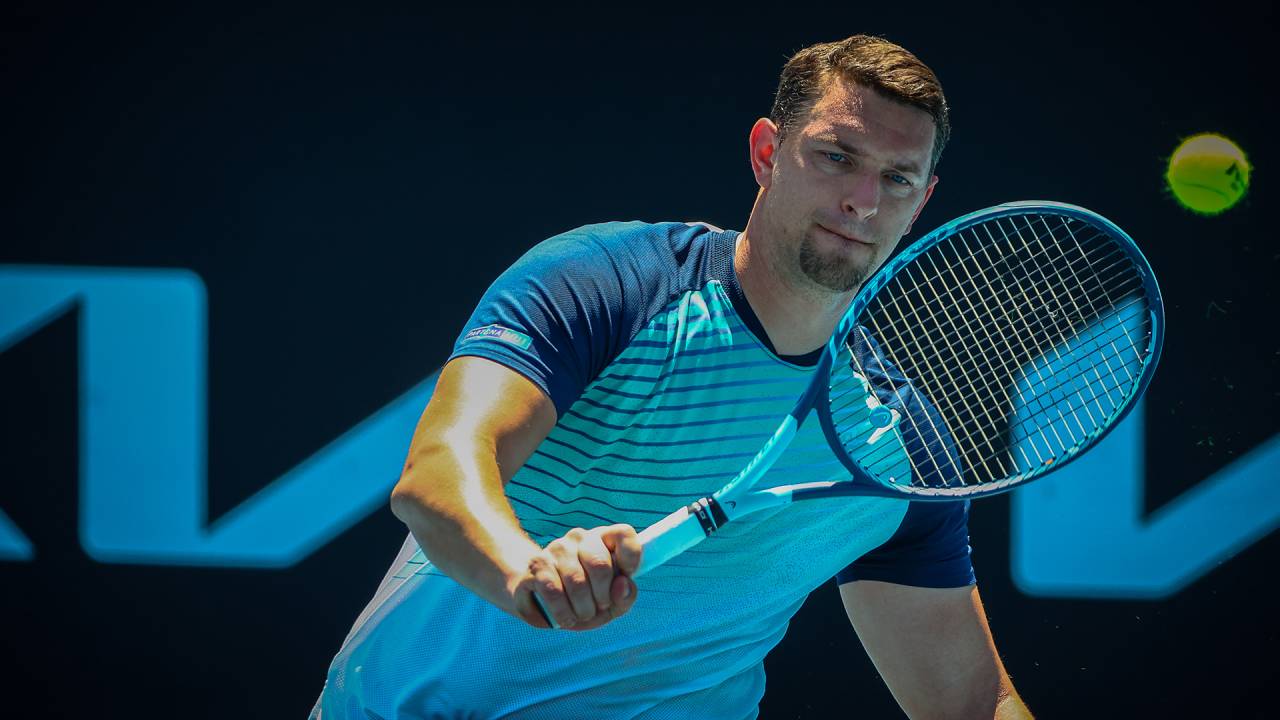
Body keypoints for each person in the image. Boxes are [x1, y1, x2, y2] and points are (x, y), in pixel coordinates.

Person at [312, 34, 1032, 719]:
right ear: (767, 153)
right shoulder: (607, 284)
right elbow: (438, 473)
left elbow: (971, 704)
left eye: (897, 178)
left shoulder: (899, 457)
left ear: (922, 201)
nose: (865, 201)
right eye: (837, 157)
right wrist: (525, 571)